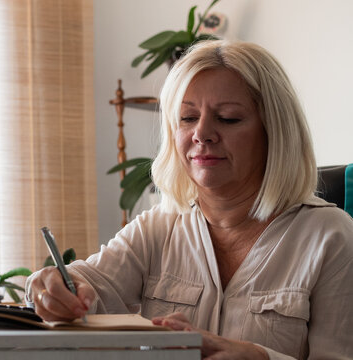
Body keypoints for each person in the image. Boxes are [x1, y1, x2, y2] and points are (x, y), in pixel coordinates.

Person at [25, 40, 353, 360]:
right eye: (187, 118)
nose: (202, 133)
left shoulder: (332, 237)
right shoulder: (158, 228)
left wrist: (258, 356)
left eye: (228, 118)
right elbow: (85, 285)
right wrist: (48, 287)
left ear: (274, 132)